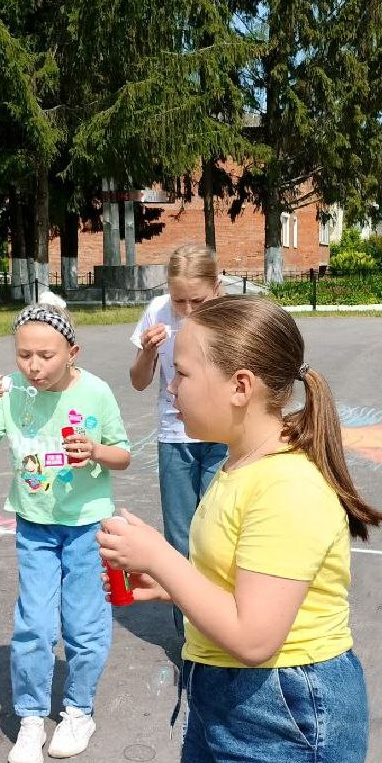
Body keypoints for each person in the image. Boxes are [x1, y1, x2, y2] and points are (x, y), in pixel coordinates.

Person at [98, 295, 382, 763]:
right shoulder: (237, 467)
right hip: (223, 699)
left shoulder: (287, 487)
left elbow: (256, 637)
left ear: (241, 386)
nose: (171, 385)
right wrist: (173, 588)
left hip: (285, 712)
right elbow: (239, 590)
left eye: (184, 372)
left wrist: (162, 559)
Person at [0, 292, 130, 763]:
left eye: (46, 355)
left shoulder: (95, 391)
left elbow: (123, 453)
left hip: (86, 525)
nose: (33, 366)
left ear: (72, 353)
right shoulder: (11, 393)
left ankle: (79, 711)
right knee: (34, 625)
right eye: (24, 354)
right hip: (34, 524)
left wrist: (96, 451)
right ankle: (32, 718)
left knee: (84, 624)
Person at [129, 244, 227, 633]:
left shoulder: (231, 315)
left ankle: (221, 627)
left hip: (222, 435)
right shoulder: (156, 312)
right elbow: (138, 382)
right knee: (180, 537)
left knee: (219, 533)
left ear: (217, 288)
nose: (186, 310)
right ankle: (188, 638)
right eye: (179, 300)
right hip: (176, 436)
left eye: (197, 300)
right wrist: (148, 353)